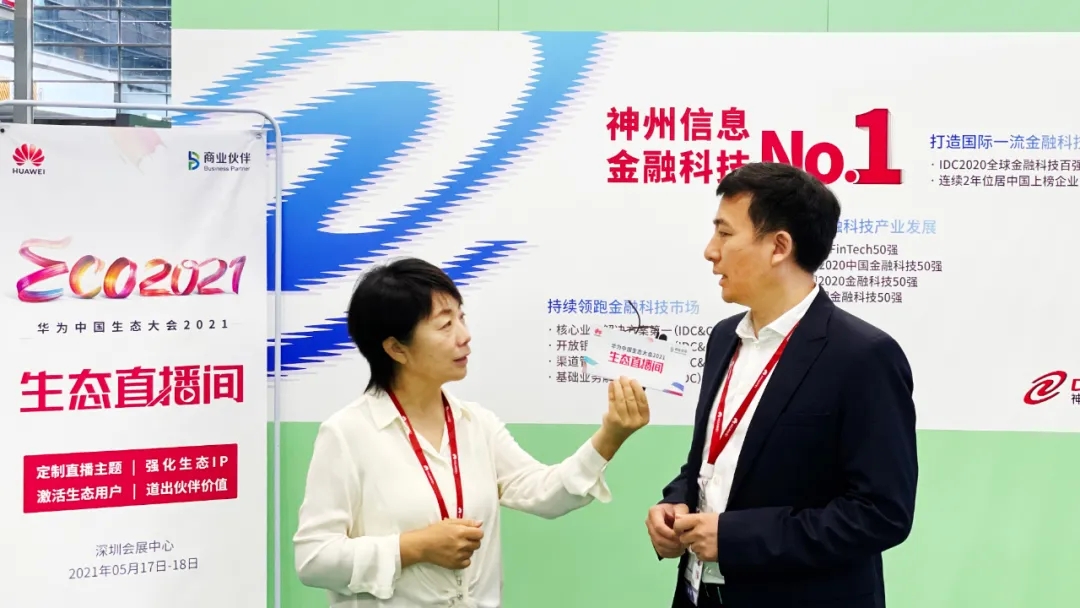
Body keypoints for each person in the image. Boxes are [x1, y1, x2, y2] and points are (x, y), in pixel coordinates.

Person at [294, 257, 650, 608]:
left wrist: (610, 436)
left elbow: (544, 494)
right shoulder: (347, 433)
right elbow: (313, 559)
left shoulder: (477, 423)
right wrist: (414, 547)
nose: (464, 336)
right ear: (396, 348)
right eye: (445, 325)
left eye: (461, 318)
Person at [645, 162, 918, 608]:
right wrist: (676, 503)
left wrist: (736, 537)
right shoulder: (723, 338)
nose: (710, 251)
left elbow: (882, 513)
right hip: (701, 594)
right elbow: (714, 463)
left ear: (779, 247)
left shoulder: (863, 356)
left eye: (725, 233)